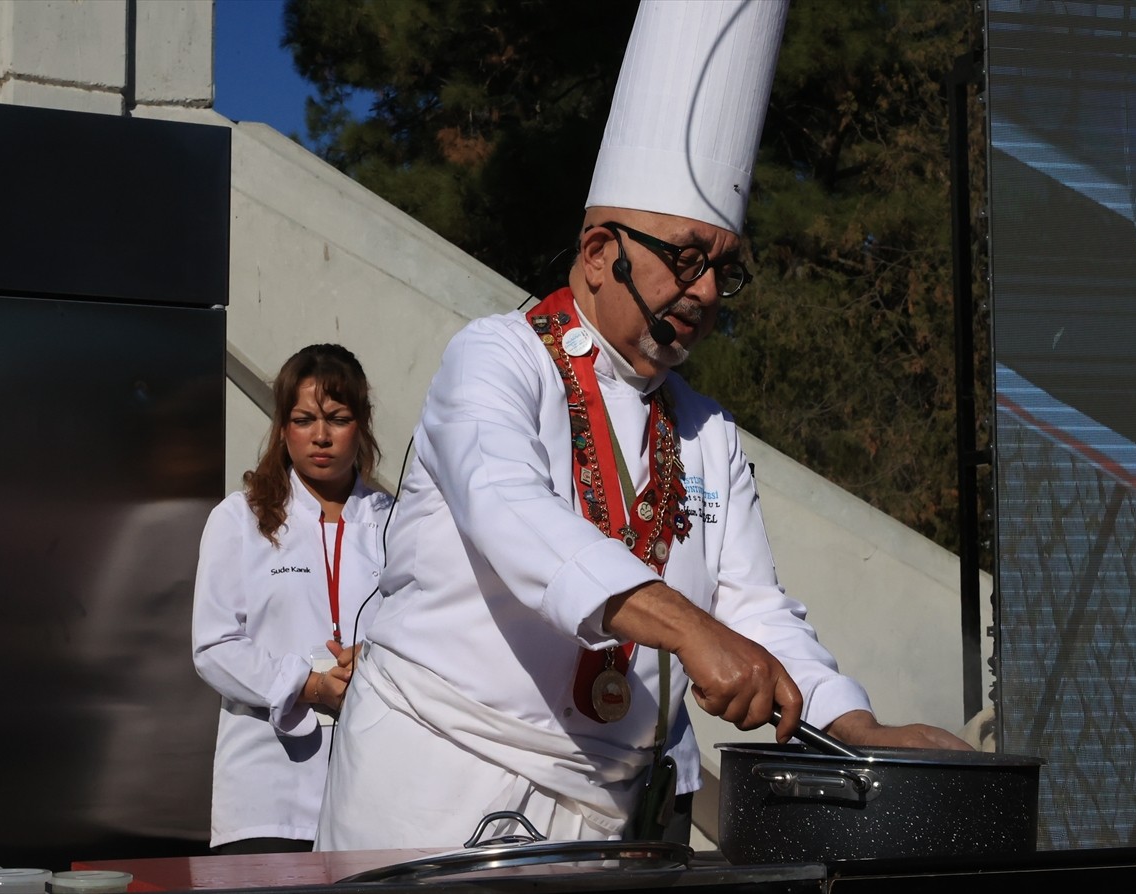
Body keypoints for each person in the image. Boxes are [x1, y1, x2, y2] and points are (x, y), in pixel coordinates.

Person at [316, 0, 968, 851]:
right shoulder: (495, 357)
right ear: (596, 253)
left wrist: (854, 725)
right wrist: (691, 631)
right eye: (683, 258)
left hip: (611, 813)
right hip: (435, 786)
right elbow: (511, 513)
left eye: (723, 269)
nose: (702, 292)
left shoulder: (705, 429)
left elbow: (753, 604)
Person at [192, 343, 392, 854]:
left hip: (375, 787)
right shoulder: (241, 518)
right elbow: (213, 646)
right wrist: (307, 685)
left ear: (362, 424)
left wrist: (373, 665)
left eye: (338, 418)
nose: (320, 436)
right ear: (283, 428)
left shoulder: (397, 522)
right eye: (304, 419)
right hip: (266, 792)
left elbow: (428, 632)